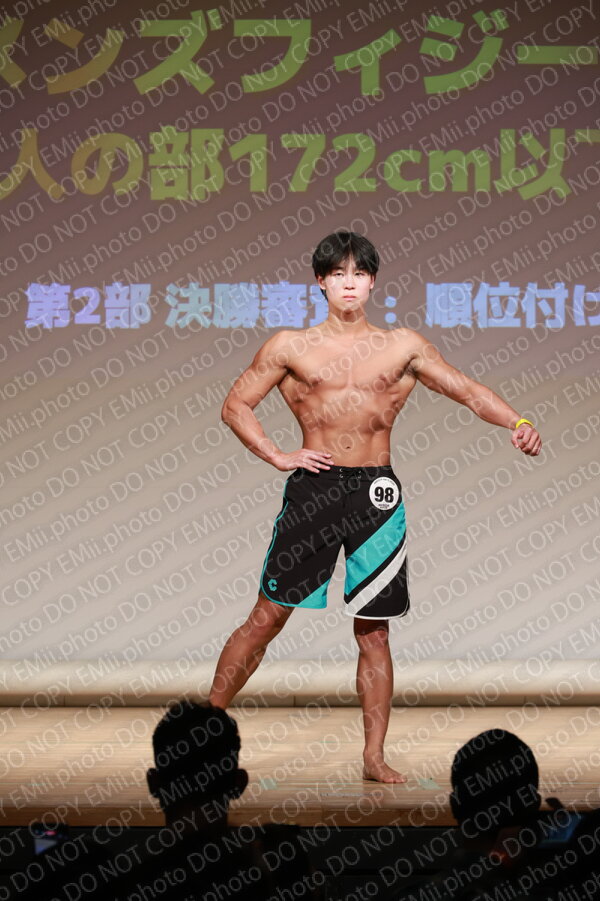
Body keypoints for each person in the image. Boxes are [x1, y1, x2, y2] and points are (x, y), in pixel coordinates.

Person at [209, 230, 542, 784]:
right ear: (320, 282)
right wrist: (277, 455)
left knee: (375, 632)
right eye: (338, 274)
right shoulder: (289, 346)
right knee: (266, 618)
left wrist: (519, 421)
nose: (349, 283)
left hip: (376, 495)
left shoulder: (402, 346)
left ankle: (373, 757)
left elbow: (465, 390)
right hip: (315, 490)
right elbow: (235, 404)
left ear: (372, 283)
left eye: (359, 274)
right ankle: (203, 735)